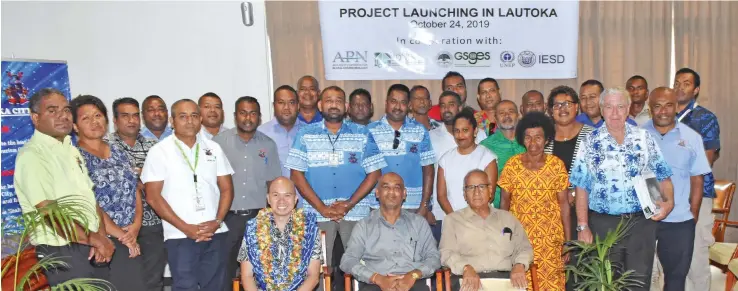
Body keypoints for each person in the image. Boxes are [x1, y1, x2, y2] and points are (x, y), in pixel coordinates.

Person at [570, 87, 675, 291]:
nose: (615, 113)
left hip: (641, 223)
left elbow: (662, 176)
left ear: (628, 109)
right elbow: (581, 186)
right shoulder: (589, 142)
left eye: (620, 107)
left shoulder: (644, 138)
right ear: (602, 110)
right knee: (607, 283)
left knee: (638, 282)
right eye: (609, 107)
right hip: (603, 224)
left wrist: (667, 202)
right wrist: (582, 226)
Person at [14, 88, 115, 286]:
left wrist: (100, 237)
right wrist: (93, 239)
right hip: (61, 249)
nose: (63, 116)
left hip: (88, 244)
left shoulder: (71, 150)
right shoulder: (32, 156)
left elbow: (90, 199)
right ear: (35, 118)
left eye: (67, 110)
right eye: (52, 111)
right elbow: (48, 212)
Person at [286, 86, 387, 274]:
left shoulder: (362, 133)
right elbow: (296, 175)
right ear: (320, 105)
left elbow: (375, 173)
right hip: (316, 213)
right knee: (317, 269)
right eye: (329, 101)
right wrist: (322, 208)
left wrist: (348, 204)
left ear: (346, 106)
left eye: (338, 101)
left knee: (361, 267)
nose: (334, 105)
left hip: (355, 212)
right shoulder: (305, 134)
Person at [141, 99, 235, 291]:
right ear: (172, 121)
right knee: (185, 287)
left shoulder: (213, 148)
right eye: (183, 116)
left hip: (214, 233)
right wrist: (185, 228)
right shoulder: (159, 151)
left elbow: (227, 189)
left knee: (216, 286)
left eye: (194, 116)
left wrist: (217, 221)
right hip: (179, 236)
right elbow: (152, 196)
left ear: (200, 119)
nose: (189, 121)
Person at [71, 94, 146, 291]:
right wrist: (122, 235)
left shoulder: (118, 151)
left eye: (97, 115)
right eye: (85, 118)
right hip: (100, 239)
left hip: (129, 236)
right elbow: (89, 201)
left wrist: (136, 224)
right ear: (75, 126)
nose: (94, 122)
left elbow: (134, 187)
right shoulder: (74, 157)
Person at [644, 87, 711, 291]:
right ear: (650, 108)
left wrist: (694, 214)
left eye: (668, 105)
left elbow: (697, 179)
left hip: (680, 220)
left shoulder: (692, 138)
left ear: (676, 107)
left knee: (675, 280)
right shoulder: (637, 136)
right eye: (657, 106)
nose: (663, 111)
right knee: (639, 278)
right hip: (642, 220)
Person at [213, 96, 282, 290]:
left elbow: (273, 184)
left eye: (253, 113)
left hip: (258, 218)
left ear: (259, 117)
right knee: (224, 270)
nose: (248, 118)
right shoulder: (218, 143)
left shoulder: (268, 145)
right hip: (227, 217)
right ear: (235, 116)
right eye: (243, 113)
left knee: (259, 271)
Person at [498, 111, 570, 291]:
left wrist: (568, 242)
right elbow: (504, 205)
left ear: (547, 139)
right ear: (522, 139)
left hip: (550, 242)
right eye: (528, 138)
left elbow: (564, 205)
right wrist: (503, 238)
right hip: (520, 240)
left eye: (538, 137)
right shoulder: (512, 165)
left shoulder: (556, 165)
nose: (533, 143)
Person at [341, 173, 441, 291]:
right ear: (377, 193)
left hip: (413, 282)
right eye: (386, 187)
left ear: (404, 194)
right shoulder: (364, 225)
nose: (391, 192)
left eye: (397, 187)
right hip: (375, 284)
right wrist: (377, 278)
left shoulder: (419, 223)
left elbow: (434, 257)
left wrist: (413, 275)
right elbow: (348, 260)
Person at [107, 97, 167, 291]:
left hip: (153, 223)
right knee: (123, 281)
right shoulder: (104, 146)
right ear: (115, 120)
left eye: (135, 116)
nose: (131, 120)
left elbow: (163, 181)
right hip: (118, 227)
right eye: (125, 116)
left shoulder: (154, 147)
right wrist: (138, 176)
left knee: (153, 279)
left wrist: (139, 177)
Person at [440, 170, 533, 291]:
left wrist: (520, 264)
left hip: (506, 280)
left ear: (490, 191)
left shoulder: (508, 218)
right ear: (464, 194)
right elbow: (446, 253)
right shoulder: (452, 220)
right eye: (471, 187)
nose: (476, 192)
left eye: (481, 186)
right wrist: (465, 268)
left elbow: (524, 248)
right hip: (471, 280)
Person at [673, 68, 721, 291]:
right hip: (668, 196)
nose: (680, 86)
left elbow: (706, 161)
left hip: (697, 195)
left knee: (695, 257)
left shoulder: (705, 118)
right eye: (677, 82)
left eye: (686, 83)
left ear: (696, 89)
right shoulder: (664, 116)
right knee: (669, 258)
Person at [237, 177, 322, 291]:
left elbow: (313, 277)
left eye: (287, 195)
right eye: (276, 195)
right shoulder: (253, 229)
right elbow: (247, 276)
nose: (282, 201)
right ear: (268, 199)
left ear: (295, 199)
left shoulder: (310, 229)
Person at [367, 84, 435, 216]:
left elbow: (428, 170)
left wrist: (424, 205)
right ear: (386, 103)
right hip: (380, 206)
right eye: (393, 101)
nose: (398, 107)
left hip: (414, 206)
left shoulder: (420, 130)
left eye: (403, 102)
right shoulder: (371, 131)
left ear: (409, 105)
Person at [428, 91, 486, 242]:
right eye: (442, 105)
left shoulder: (479, 136)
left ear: (460, 107)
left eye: (451, 104)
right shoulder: (431, 137)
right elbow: (427, 173)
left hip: (478, 215)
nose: (446, 109)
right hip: (443, 214)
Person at [437, 109, 498, 220]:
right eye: (456, 131)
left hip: (481, 220)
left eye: (465, 130)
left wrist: (472, 220)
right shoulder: (445, 159)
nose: (460, 135)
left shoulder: (487, 157)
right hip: (453, 220)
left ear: (475, 132)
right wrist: (456, 220)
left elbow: (490, 194)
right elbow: (441, 196)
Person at [480, 100, 525, 209]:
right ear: (495, 118)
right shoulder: (485, 146)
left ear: (518, 116)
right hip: (497, 208)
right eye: (502, 113)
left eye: (511, 111)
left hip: (528, 207)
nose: (507, 115)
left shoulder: (529, 141)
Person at [258, 85, 305, 179]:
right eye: (281, 103)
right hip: (272, 192)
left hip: (303, 193)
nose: (286, 107)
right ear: (274, 105)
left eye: (291, 103)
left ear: (298, 105)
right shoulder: (260, 133)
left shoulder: (309, 133)